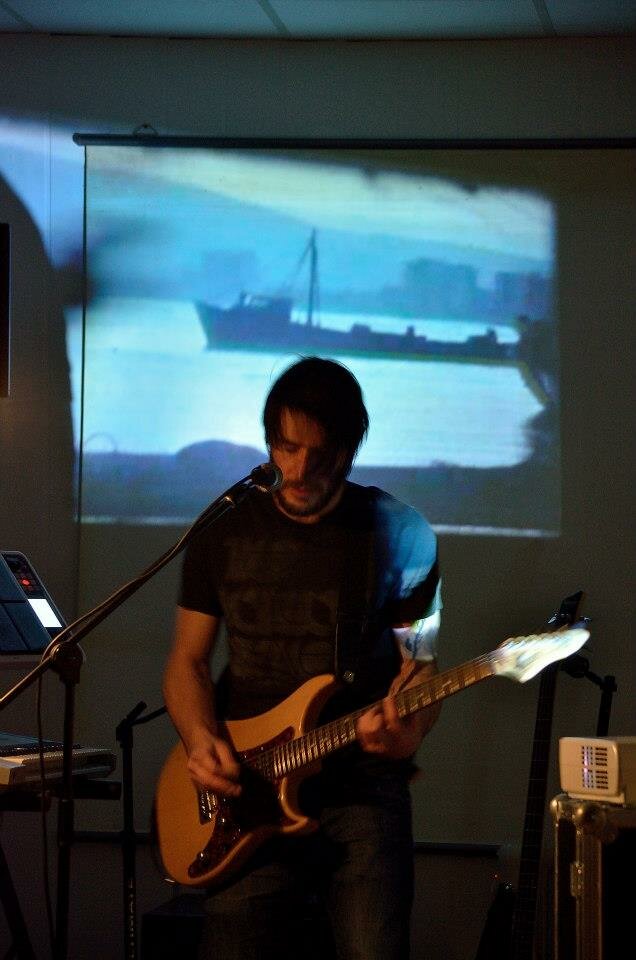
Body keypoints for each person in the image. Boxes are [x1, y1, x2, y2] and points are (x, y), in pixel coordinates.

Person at [163, 356, 442, 960]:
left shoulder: (401, 533)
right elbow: (187, 662)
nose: (299, 470)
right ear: (269, 440)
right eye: (287, 448)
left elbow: (421, 667)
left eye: (321, 455)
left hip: (361, 790)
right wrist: (199, 740)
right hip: (247, 791)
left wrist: (409, 733)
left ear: (349, 450)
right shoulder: (222, 530)